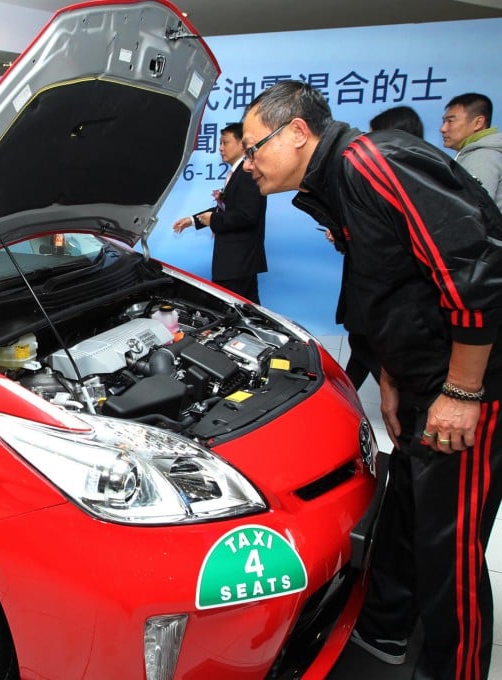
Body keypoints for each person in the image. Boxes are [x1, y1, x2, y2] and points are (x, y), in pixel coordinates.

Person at [241, 80, 502, 679]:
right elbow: (383, 286)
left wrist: (461, 393)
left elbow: (475, 275)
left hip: (463, 385)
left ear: (298, 132)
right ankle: (385, 633)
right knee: (406, 520)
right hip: (415, 378)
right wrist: (388, 375)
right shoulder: (334, 184)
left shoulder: (376, 163)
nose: (247, 162)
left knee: (450, 546)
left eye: (255, 148)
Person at [339, 105, 426, 389]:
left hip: (390, 305)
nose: (367, 144)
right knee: (363, 351)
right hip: (373, 304)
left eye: (374, 137)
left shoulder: (410, 184)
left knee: (369, 351)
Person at [173, 122, 267, 303]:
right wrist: (194, 220)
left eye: (225, 142)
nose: (220, 148)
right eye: (220, 143)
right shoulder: (236, 173)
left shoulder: (247, 174)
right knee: (247, 309)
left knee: (234, 309)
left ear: (242, 144)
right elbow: (227, 208)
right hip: (236, 261)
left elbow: (247, 215)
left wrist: (214, 219)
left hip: (238, 261)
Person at [440, 92, 502, 210]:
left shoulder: (482, 156)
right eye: (444, 122)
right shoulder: (482, 153)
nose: (442, 129)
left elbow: (471, 212)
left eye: (450, 121)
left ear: (478, 123)